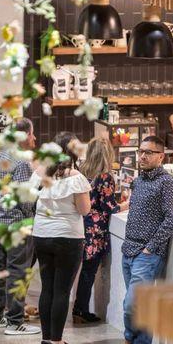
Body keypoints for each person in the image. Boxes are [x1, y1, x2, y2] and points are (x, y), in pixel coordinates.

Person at [109, 136, 173, 344]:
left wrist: (151, 247)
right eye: (141, 152)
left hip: (147, 254)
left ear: (161, 156)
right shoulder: (138, 181)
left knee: (132, 305)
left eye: (149, 152)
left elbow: (171, 218)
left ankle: (131, 341)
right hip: (128, 249)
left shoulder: (167, 182)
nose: (143, 156)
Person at [31, 131, 91, 344]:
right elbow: (84, 210)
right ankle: (57, 341)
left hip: (41, 234)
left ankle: (46, 338)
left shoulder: (39, 172)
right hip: (67, 237)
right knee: (62, 290)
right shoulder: (75, 177)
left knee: (47, 287)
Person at [0, 117, 40, 335]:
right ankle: (15, 321)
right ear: (25, 136)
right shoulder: (21, 163)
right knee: (18, 271)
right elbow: (25, 201)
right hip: (18, 223)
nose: (34, 137)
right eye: (32, 133)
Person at [73, 137, 129, 324]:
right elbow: (110, 207)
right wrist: (127, 204)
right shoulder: (105, 177)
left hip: (81, 225)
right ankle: (80, 310)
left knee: (82, 271)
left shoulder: (82, 172)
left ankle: (78, 308)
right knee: (89, 272)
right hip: (96, 231)